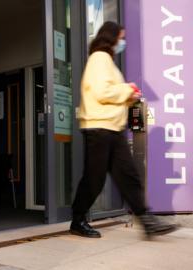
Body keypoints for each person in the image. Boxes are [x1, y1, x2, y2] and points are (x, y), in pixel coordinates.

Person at [70, 21, 176, 238]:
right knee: (94, 179)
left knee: (129, 175)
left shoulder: (107, 61)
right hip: (99, 128)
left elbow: (109, 94)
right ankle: (77, 220)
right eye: (121, 37)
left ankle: (147, 222)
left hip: (113, 129)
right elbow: (101, 92)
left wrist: (129, 97)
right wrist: (127, 89)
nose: (122, 42)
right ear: (112, 37)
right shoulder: (99, 58)